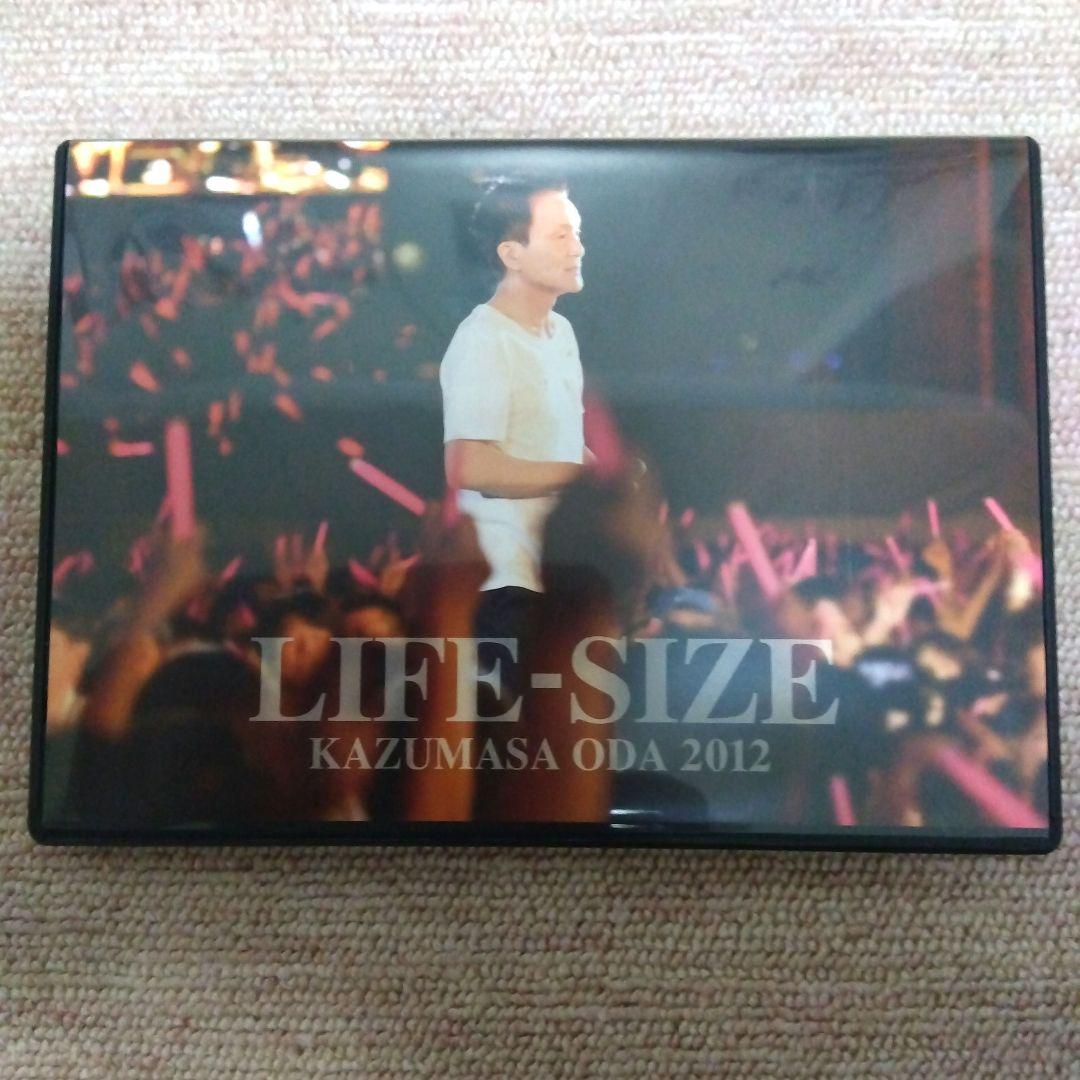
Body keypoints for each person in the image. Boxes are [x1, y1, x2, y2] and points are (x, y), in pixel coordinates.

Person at [439, 177, 590, 672]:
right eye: (561, 235)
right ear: (512, 254)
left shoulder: (561, 333)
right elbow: (468, 464)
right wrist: (576, 474)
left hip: (552, 578)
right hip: (506, 588)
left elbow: (559, 446)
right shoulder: (483, 339)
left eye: (577, 233)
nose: (578, 248)